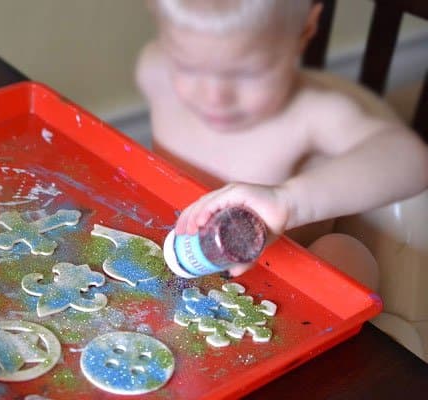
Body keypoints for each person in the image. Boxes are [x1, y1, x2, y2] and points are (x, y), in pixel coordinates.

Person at [136, 0, 428, 289]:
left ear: (306, 30)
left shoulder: (312, 114)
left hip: (280, 287)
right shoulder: (155, 72)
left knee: (345, 254)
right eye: (188, 68)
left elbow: (411, 160)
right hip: (175, 261)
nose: (215, 98)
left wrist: (288, 201)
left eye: (247, 73)